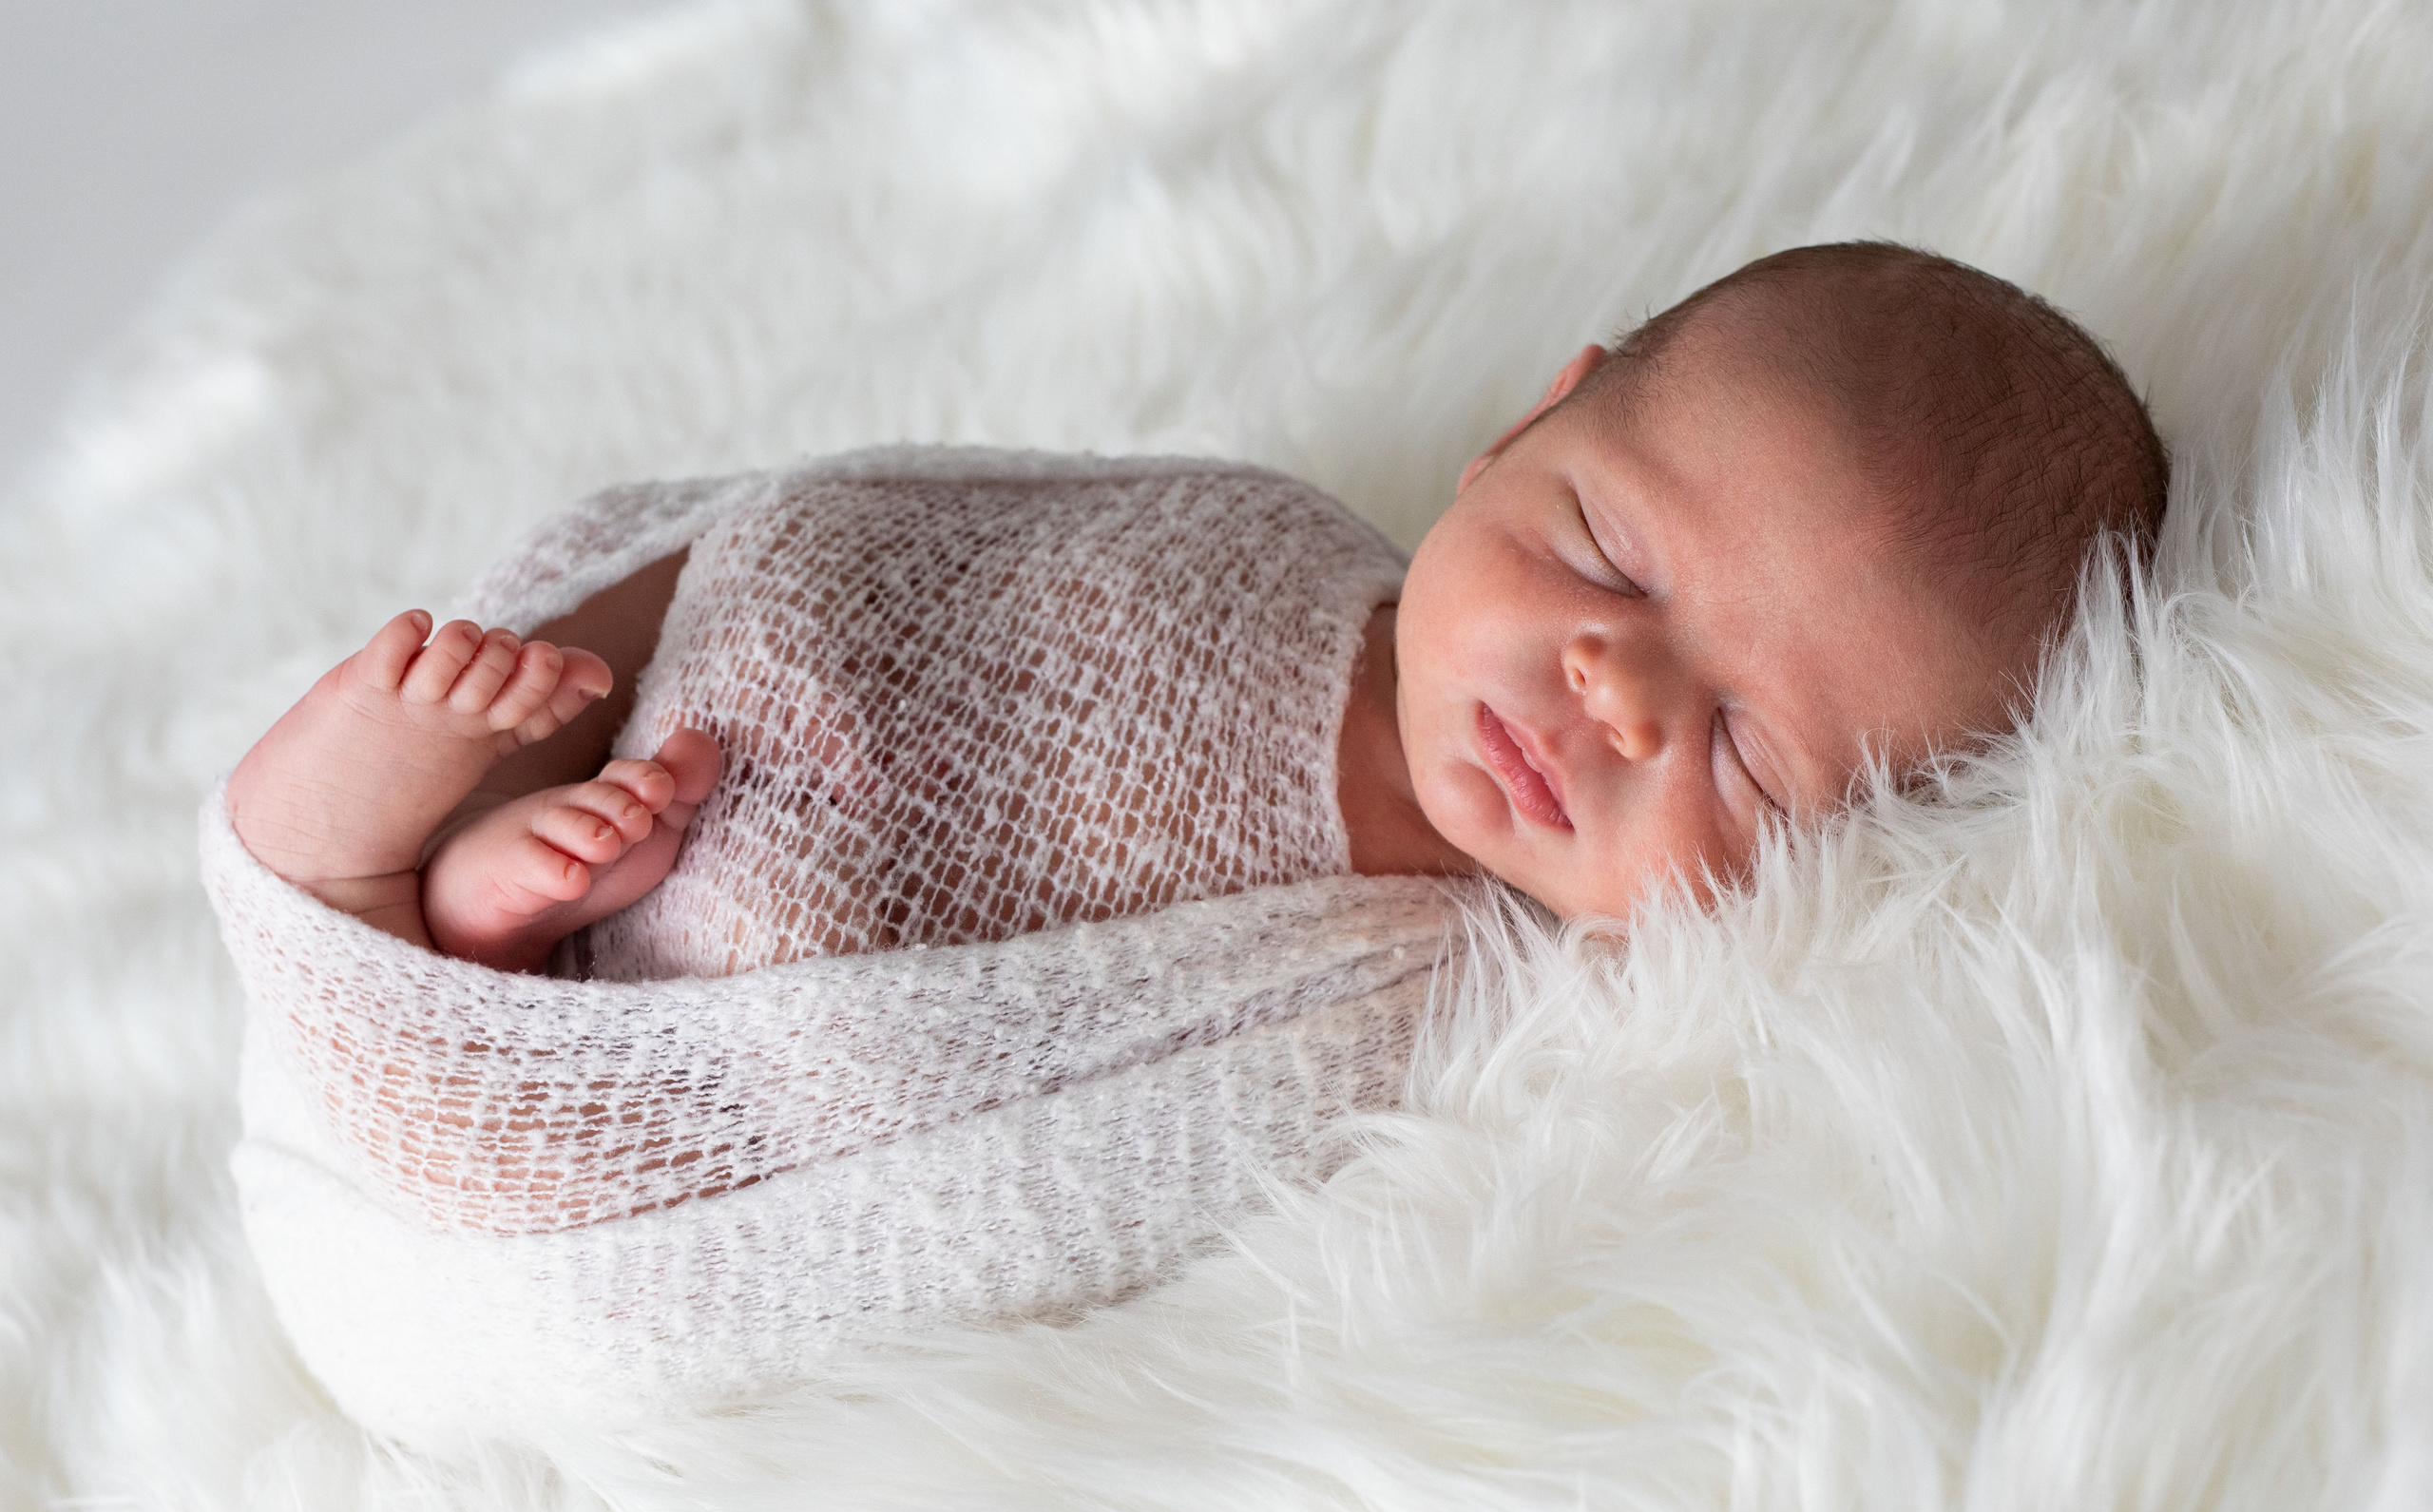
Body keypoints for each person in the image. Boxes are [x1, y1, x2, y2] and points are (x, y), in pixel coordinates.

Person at [223, 241, 2168, 976]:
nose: (1610, 696)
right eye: (1607, 561)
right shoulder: (1259, 534)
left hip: (734, 996)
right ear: (1525, 420)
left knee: (536, 966)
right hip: (711, 692)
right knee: (528, 722)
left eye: (1744, 743)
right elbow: (915, 530)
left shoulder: (1435, 996)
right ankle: (376, 825)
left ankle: (445, 920)